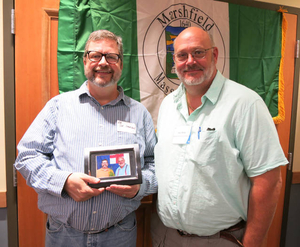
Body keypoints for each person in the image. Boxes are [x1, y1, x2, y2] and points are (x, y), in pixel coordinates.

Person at [14, 30, 157, 247]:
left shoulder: (139, 113)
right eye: (95, 55)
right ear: (84, 60)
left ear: (120, 63)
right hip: (64, 233)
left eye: (111, 56)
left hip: (120, 232)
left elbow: (155, 163)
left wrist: (140, 186)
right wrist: (64, 182)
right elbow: (26, 156)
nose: (103, 62)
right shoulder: (57, 107)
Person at [152, 26, 288, 247]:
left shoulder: (244, 104)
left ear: (214, 55)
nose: (190, 61)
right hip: (165, 236)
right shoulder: (168, 105)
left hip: (220, 240)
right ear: (174, 61)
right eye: (182, 55)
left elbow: (269, 182)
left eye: (198, 52)